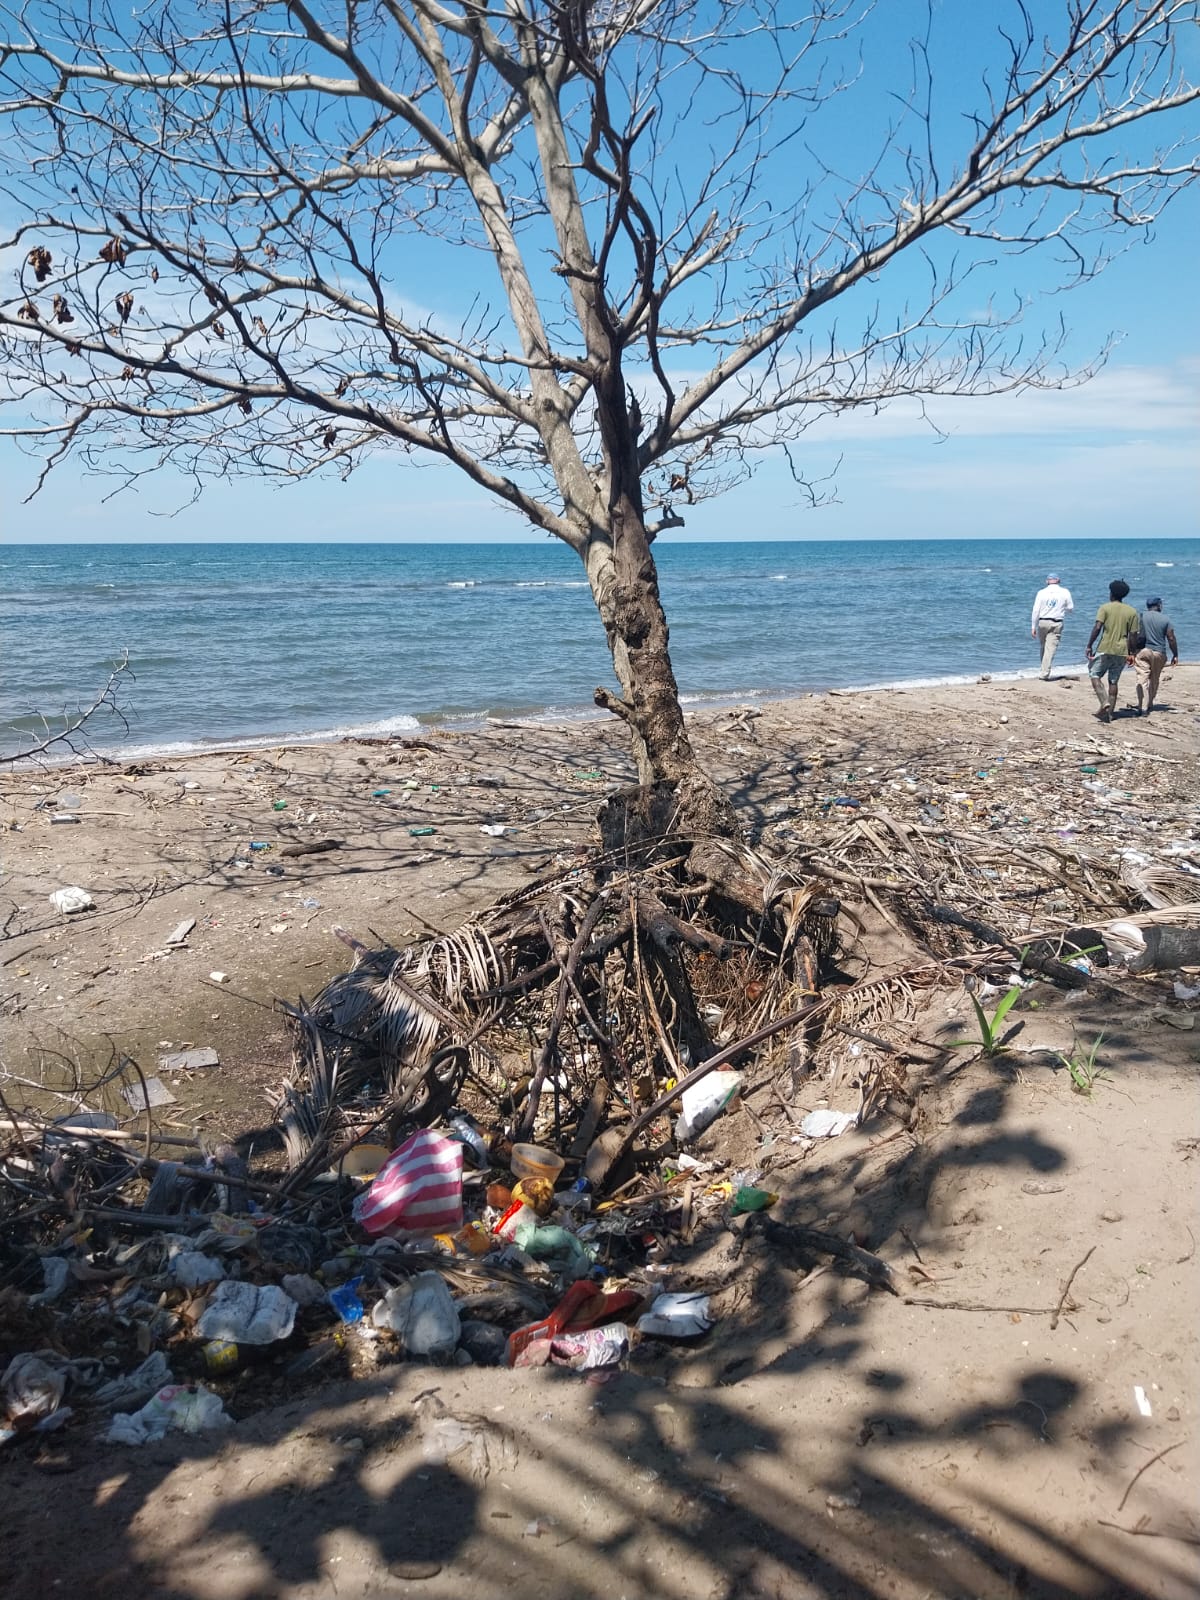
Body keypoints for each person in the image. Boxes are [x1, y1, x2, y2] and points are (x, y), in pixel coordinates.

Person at [1085, 579, 1139, 722]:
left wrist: (1089, 644)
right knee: (1113, 681)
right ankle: (1109, 714)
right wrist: (1132, 653)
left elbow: (1097, 627)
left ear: (1111, 593)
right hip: (1122, 650)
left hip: (1105, 647)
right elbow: (1133, 635)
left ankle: (1104, 702)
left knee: (1094, 674)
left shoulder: (1105, 608)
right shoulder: (1132, 611)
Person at [1133, 596, 1179, 715]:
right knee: (1154, 679)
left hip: (1143, 651)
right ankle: (1150, 703)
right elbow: (1171, 638)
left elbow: (1132, 635)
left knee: (1142, 678)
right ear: (1159, 605)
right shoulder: (1165, 619)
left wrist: (1130, 652)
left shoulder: (1140, 616)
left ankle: (1142, 706)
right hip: (1159, 653)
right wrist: (1175, 654)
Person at [1030, 573, 1074, 679]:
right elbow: (1071, 608)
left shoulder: (1041, 592)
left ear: (1047, 581)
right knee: (1050, 648)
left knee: (1044, 646)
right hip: (1056, 622)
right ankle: (1044, 673)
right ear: (1058, 581)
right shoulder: (1065, 592)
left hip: (1042, 622)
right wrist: (1062, 608)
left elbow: (1036, 610)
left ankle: (1043, 669)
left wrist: (1033, 626)